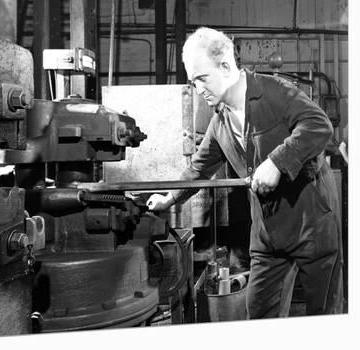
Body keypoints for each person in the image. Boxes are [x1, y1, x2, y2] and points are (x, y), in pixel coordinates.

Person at [147, 27, 343, 318]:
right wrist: (169, 198)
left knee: (324, 316)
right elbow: (199, 169)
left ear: (225, 66)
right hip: (267, 234)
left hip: (311, 224)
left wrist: (277, 162)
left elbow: (318, 124)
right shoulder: (220, 123)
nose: (198, 89)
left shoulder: (276, 91)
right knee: (260, 315)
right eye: (193, 82)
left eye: (202, 78)